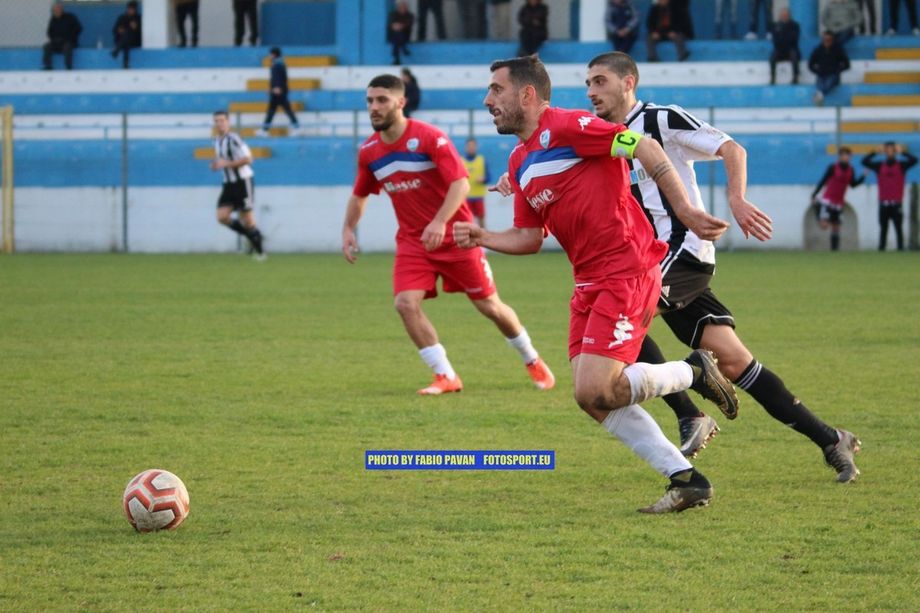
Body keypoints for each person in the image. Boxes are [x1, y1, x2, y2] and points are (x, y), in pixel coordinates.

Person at [457, 55, 741, 513]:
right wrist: (481, 237)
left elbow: (645, 148)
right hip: (588, 281)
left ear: (527, 95)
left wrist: (685, 211)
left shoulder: (572, 127)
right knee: (591, 399)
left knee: (598, 388)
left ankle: (693, 371)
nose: (488, 100)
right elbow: (530, 239)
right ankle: (686, 479)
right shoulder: (520, 158)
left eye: (496, 90)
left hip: (626, 269)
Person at [577, 51, 861, 483]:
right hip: (650, 260)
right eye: (588, 84)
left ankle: (691, 414)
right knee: (735, 362)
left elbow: (731, 148)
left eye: (600, 81)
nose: (592, 91)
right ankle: (830, 438)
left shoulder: (660, 119)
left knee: (621, 312)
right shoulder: (604, 135)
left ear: (628, 82)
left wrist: (737, 198)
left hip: (683, 250)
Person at [343, 74, 555, 397]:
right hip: (414, 242)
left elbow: (460, 183)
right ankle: (445, 375)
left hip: (458, 236)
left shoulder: (429, 138)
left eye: (381, 100)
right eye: (370, 101)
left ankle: (531, 358)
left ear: (401, 102)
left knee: (490, 307)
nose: (374, 107)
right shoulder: (369, 151)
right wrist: (347, 229)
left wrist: (440, 222)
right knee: (405, 304)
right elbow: (360, 194)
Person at [211, 111, 266, 260]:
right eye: (216, 121)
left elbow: (249, 159)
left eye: (222, 120)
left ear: (228, 122)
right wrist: (217, 165)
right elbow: (223, 160)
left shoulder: (234, 139)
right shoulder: (216, 140)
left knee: (247, 218)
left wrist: (226, 164)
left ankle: (261, 252)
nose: (219, 123)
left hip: (243, 181)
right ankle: (253, 237)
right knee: (222, 216)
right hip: (228, 183)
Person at [862, 142, 918, 251]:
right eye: (887, 150)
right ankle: (882, 248)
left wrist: (903, 152)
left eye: (892, 150)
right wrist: (875, 152)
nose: (890, 152)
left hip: (896, 203)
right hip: (883, 202)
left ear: (895, 151)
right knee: (883, 227)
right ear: (885, 152)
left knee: (898, 228)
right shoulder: (879, 166)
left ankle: (900, 249)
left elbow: (915, 160)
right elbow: (864, 161)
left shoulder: (901, 165)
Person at [811, 147, 865, 251]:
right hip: (828, 199)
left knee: (836, 227)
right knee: (824, 226)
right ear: (839, 157)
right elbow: (823, 180)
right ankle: (817, 207)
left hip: (839, 202)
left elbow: (853, 184)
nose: (845, 157)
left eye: (847, 155)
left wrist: (862, 177)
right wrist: (814, 194)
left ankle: (834, 251)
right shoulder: (833, 167)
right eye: (843, 155)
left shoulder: (851, 169)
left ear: (850, 157)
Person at [260, 47, 300, 136]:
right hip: (278, 91)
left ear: (274, 54)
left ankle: (296, 127)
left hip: (278, 92)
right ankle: (264, 130)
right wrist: (271, 88)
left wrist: (276, 88)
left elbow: (277, 79)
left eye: (270, 54)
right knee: (273, 110)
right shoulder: (279, 63)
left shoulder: (277, 65)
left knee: (283, 110)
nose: (269, 56)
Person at [808, 31, 850, 105]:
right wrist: (817, 71)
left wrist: (837, 70)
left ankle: (819, 96)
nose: (827, 41)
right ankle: (820, 96)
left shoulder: (838, 50)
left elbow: (846, 64)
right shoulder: (818, 50)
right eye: (825, 39)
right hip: (821, 75)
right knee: (820, 85)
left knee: (827, 84)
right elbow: (810, 64)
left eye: (829, 39)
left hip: (833, 74)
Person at [42, 2, 82, 71]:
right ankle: (48, 66)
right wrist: (54, 39)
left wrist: (70, 38)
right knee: (47, 46)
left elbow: (78, 28)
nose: (56, 11)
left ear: (62, 10)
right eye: (54, 10)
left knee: (67, 47)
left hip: (69, 42)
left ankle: (68, 67)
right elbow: (49, 32)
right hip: (56, 42)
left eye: (58, 9)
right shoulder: (53, 20)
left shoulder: (70, 17)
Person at [769, 7, 801, 85]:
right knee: (772, 58)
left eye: (786, 15)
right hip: (779, 49)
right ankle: (773, 78)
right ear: (780, 16)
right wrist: (785, 38)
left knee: (794, 56)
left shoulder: (795, 25)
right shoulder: (775, 25)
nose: (784, 16)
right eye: (783, 15)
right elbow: (775, 39)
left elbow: (794, 39)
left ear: (789, 16)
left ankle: (795, 77)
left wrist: (783, 37)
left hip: (791, 48)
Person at [462, 138, 489, 227]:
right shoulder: (461, 161)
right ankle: (469, 238)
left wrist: (484, 179)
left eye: (473, 146)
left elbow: (489, 177)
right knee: (466, 219)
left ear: (476, 147)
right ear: (466, 147)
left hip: (478, 196)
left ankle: (483, 238)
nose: (471, 148)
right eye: (469, 146)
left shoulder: (482, 160)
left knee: (481, 218)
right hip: (465, 197)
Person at [111, 1, 142, 69]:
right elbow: (114, 30)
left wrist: (136, 28)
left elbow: (141, 33)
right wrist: (119, 30)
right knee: (126, 40)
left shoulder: (138, 18)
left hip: (134, 41)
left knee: (128, 35)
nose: (130, 10)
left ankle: (116, 51)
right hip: (122, 41)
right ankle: (125, 64)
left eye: (132, 9)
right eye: (129, 9)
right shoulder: (122, 17)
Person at [387, 1, 414, 65]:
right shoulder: (393, 14)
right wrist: (395, 26)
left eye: (404, 7)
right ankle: (404, 48)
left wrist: (400, 26)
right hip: (394, 35)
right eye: (401, 7)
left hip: (405, 35)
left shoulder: (410, 15)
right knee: (397, 35)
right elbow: (391, 23)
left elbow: (408, 24)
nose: (403, 8)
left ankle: (397, 59)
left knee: (398, 36)